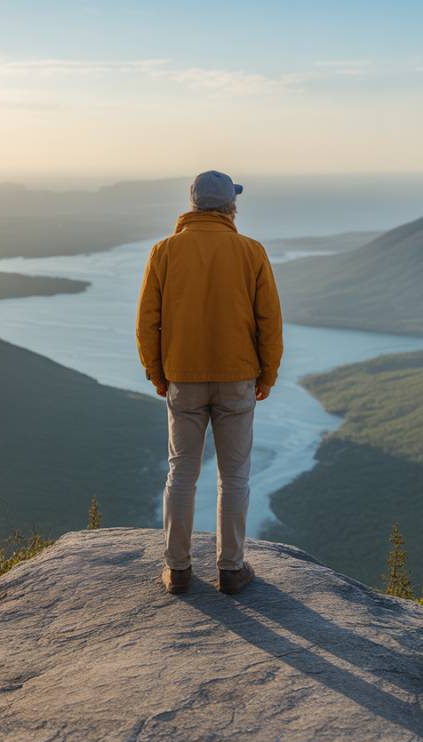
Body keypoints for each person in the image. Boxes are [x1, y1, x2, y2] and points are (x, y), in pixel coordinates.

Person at [136, 170, 284, 596]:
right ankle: (231, 569)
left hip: (183, 376)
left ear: (194, 205)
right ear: (230, 207)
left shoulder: (164, 251)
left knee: (181, 473)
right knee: (234, 476)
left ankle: (178, 569)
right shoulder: (250, 252)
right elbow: (268, 322)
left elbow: (149, 322)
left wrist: (157, 372)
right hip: (238, 377)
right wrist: (267, 374)